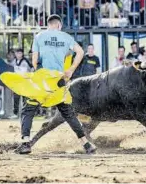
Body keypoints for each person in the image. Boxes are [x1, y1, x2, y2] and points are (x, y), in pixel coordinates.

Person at [14, 14, 96, 154]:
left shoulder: (39, 36)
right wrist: (70, 70)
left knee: (28, 110)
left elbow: (34, 61)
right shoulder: (65, 37)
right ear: (59, 25)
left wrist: (37, 72)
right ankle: (86, 144)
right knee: (68, 113)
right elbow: (80, 52)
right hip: (58, 80)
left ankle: (26, 143)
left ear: (48, 25)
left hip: (43, 80)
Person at [12, 49, 33, 118]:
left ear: (22, 54)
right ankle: (15, 113)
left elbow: (31, 69)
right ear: (15, 54)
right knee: (16, 98)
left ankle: (25, 113)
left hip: (25, 82)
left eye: (20, 53)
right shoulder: (14, 61)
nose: (19, 55)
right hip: (17, 82)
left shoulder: (25, 61)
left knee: (25, 98)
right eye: (17, 53)